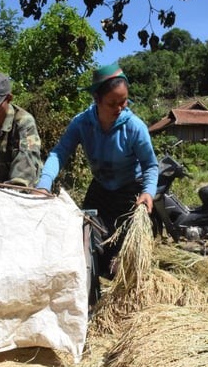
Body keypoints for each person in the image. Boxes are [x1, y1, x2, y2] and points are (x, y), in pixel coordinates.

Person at [35, 62, 158, 280]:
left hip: (130, 190)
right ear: (97, 100)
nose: (120, 108)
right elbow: (59, 153)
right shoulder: (82, 124)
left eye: (124, 101)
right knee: (84, 242)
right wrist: (44, 184)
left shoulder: (134, 127)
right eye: (112, 103)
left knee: (121, 261)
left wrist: (147, 192)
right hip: (100, 188)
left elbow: (150, 165)